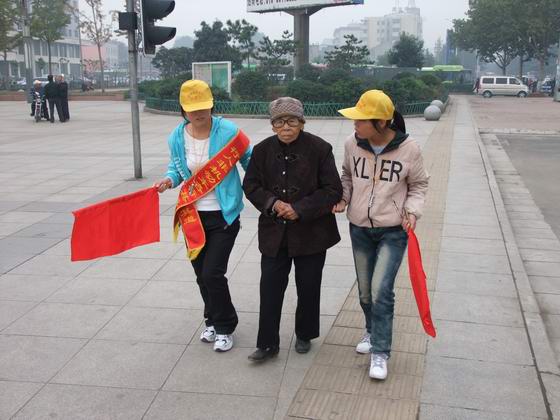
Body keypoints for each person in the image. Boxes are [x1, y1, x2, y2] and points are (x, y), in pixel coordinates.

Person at [333, 90, 429, 380]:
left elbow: (419, 185)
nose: (355, 124)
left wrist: (412, 211)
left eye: (361, 120)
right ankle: (371, 330)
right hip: (360, 227)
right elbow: (347, 175)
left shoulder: (409, 149)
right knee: (365, 291)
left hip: (393, 230)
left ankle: (380, 352)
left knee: (380, 290)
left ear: (382, 122)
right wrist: (344, 198)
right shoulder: (352, 143)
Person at [154, 80, 251, 353]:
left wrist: (262, 188)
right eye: (192, 108)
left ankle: (225, 327)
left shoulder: (229, 131)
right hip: (192, 216)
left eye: (203, 107)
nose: (199, 113)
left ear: (212, 105)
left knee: (213, 273)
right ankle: (212, 320)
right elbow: (176, 168)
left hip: (223, 215)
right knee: (201, 275)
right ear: (183, 109)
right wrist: (168, 180)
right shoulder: (176, 137)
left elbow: (250, 160)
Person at [243, 97, 343, 362]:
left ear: (302, 122)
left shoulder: (320, 148)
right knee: (270, 287)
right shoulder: (262, 150)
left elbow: (332, 189)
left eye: (291, 121)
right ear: (272, 125)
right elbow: (251, 185)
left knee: (308, 286)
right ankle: (267, 344)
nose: (285, 126)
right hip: (274, 232)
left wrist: (299, 208)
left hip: (312, 233)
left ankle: (305, 334)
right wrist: (273, 203)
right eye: (279, 121)